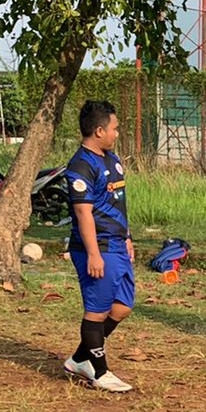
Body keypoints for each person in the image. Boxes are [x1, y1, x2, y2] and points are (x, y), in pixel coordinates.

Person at [63, 100, 135, 393]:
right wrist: (93, 254)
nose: (117, 134)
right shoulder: (80, 167)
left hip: (118, 244)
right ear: (99, 130)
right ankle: (100, 371)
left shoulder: (111, 158)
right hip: (98, 247)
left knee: (122, 307)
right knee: (96, 310)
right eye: (115, 129)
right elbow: (84, 214)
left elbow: (118, 203)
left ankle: (81, 357)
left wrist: (128, 236)